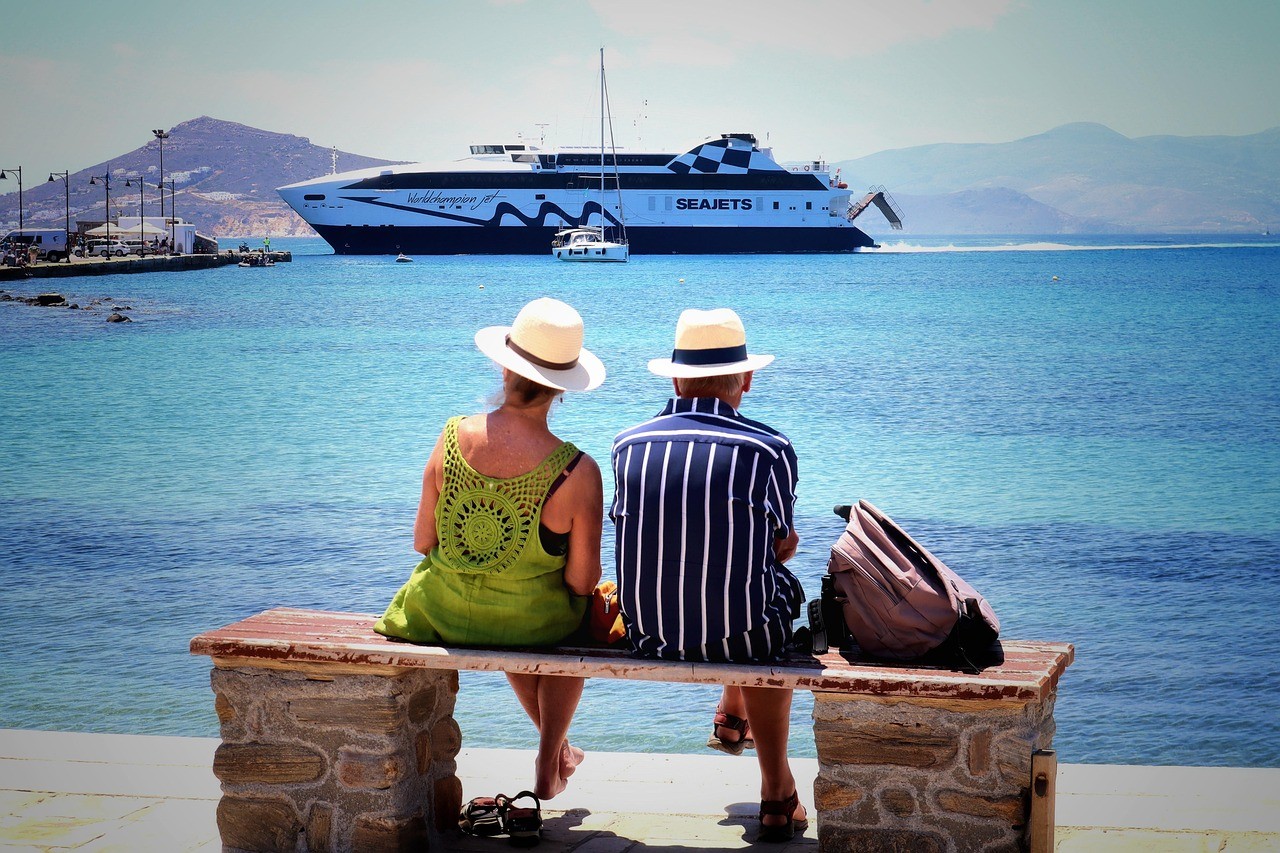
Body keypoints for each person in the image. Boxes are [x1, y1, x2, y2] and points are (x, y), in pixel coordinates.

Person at [375, 297, 606, 801]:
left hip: (441, 614)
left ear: (505, 368)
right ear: (562, 390)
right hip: (529, 622)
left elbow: (422, 542)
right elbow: (581, 582)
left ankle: (559, 751)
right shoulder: (578, 471)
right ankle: (551, 753)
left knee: (503, 603)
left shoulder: (451, 436)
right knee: (560, 613)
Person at [610, 307, 808, 842]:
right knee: (767, 597)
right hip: (744, 634)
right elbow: (781, 545)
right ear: (746, 378)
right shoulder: (770, 449)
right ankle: (774, 791)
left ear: (675, 377)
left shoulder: (627, 445)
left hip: (650, 636)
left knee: (732, 579)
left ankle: (730, 712)